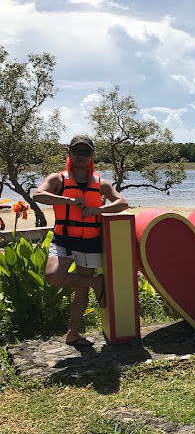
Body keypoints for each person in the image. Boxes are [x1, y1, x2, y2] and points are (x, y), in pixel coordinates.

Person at [33, 134, 128, 347]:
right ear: (69, 153)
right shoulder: (58, 179)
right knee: (53, 276)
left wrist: (99, 209)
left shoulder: (100, 182)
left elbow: (122, 203)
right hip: (64, 239)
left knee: (81, 290)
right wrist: (68, 200)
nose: (81, 156)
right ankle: (96, 282)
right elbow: (38, 195)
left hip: (90, 241)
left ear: (92, 156)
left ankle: (72, 334)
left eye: (86, 152)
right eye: (77, 151)